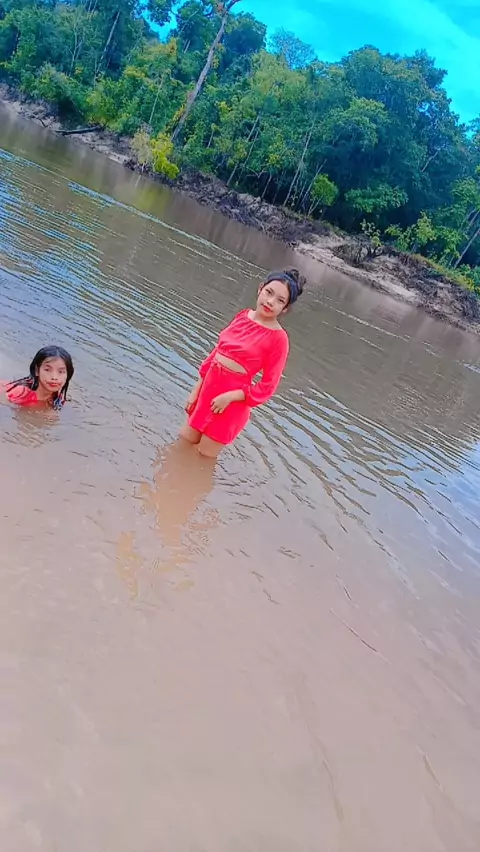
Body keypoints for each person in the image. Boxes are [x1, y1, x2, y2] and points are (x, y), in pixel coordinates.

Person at [181, 268, 305, 458]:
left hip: (230, 405)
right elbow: (217, 352)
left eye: (280, 300)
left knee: (201, 459)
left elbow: (268, 386)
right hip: (206, 392)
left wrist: (230, 397)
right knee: (180, 447)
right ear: (260, 289)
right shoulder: (243, 315)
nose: (270, 302)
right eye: (269, 292)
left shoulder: (279, 339)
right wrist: (196, 390)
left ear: (285, 308)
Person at [1, 346, 74, 410]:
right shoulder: (21, 393)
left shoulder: (58, 399)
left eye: (61, 372)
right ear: (37, 370)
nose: (54, 377)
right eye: (47, 370)